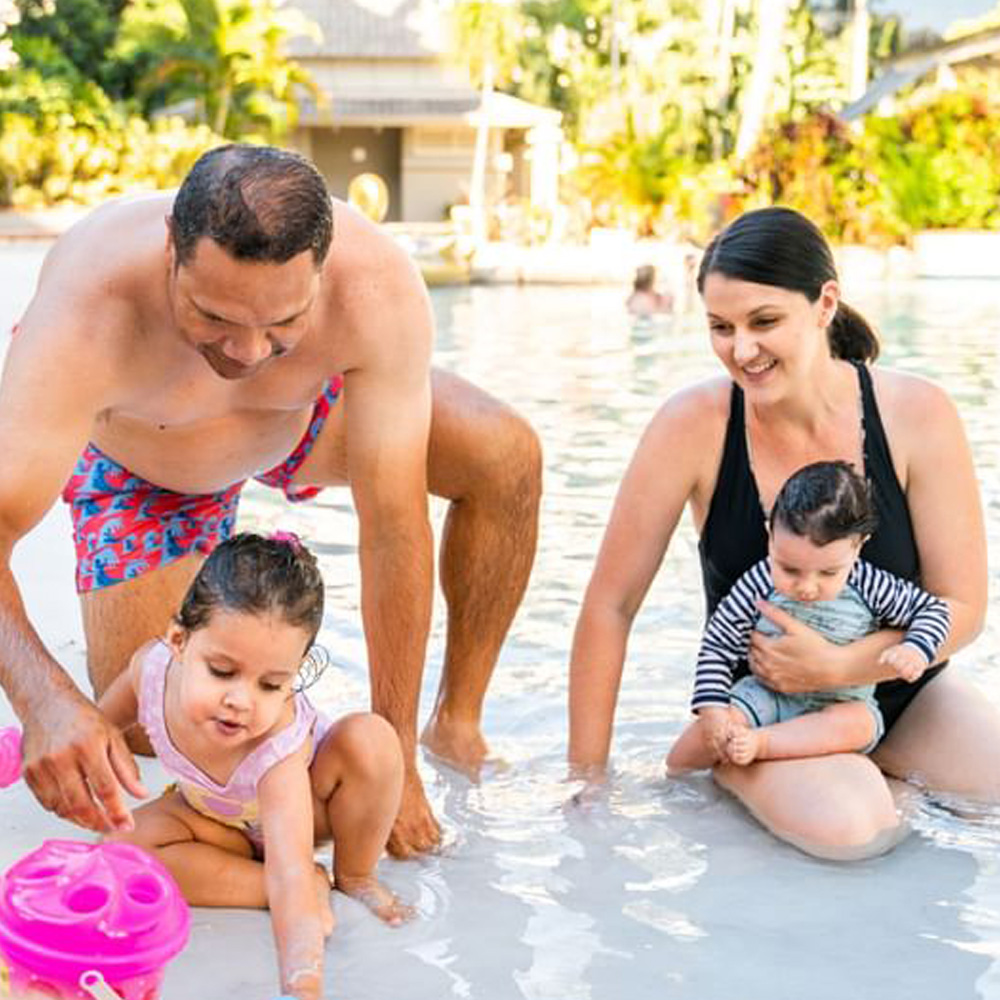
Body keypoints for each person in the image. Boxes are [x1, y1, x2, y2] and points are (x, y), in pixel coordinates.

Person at [0, 143, 542, 857]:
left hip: (302, 418)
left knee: (505, 455)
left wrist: (395, 754)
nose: (247, 353)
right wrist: (44, 699)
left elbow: (393, 526)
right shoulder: (90, 308)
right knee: (145, 734)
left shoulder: (374, 286)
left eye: (282, 324)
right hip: (147, 465)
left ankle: (457, 721)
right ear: (172, 248)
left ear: (321, 267)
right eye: (213, 316)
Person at [569, 205, 993, 859]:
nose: (741, 350)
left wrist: (842, 665)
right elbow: (611, 605)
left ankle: (880, 774)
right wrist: (587, 786)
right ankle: (748, 768)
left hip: (899, 695)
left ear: (825, 304)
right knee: (858, 833)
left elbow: (960, 607)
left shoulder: (917, 413)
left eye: (764, 322)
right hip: (761, 712)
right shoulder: (693, 425)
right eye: (720, 327)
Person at [99, 532, 411, 1000]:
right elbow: (93, 732)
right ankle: (294, 886)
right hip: (211, 817)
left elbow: (287, 863)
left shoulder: (276, 747)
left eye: (271, 685)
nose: (240, 702)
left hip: (308, 809)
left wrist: (301, 985)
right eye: (222, 672)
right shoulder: (150, 670)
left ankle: (354, 875)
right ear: (178, 640)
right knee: (118, 851)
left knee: (372, 739)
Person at [667, 461, 950, 771]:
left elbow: (932, 610)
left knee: (858, 724)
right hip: (766, 695)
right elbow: (718, 645)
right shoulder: (758, 582)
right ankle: (673, 790)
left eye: (828, 572)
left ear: (858, 548)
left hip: (839, 703)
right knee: (696, 745)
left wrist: (916, 648)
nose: (806, 587)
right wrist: (713, 709)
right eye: (789, 568)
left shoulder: (870, 583)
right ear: (769, 535)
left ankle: (764, 743)